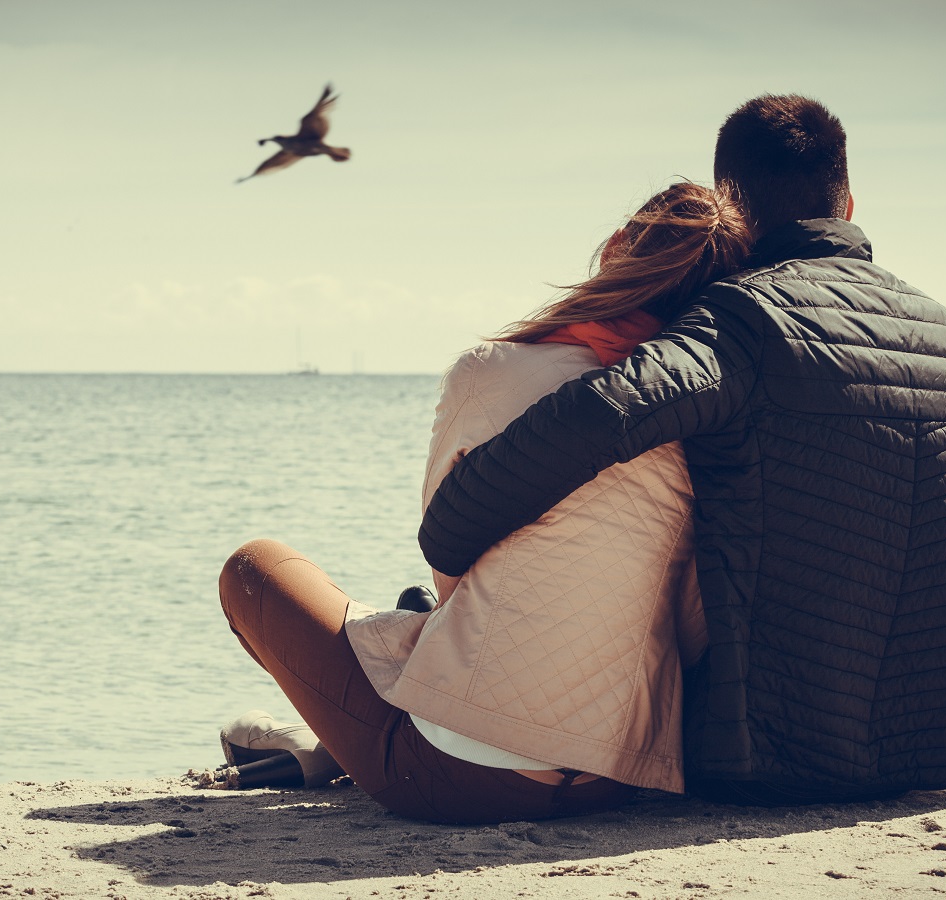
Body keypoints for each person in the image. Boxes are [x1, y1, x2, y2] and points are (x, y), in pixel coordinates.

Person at [418, 94, 946, 805]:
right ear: (848, 203)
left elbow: (604, 411)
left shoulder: (746, 320)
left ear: (732, 212)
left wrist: (451, 530)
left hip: (778, 760)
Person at [218, 182, 752, 824]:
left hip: (455, 775)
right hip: (614, 774)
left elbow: (451, 572)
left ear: (615, 249)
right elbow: (692, 618)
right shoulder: (708, 418)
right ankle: (327, 746)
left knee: (255, 570)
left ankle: (325, 744)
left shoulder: (491, 372)